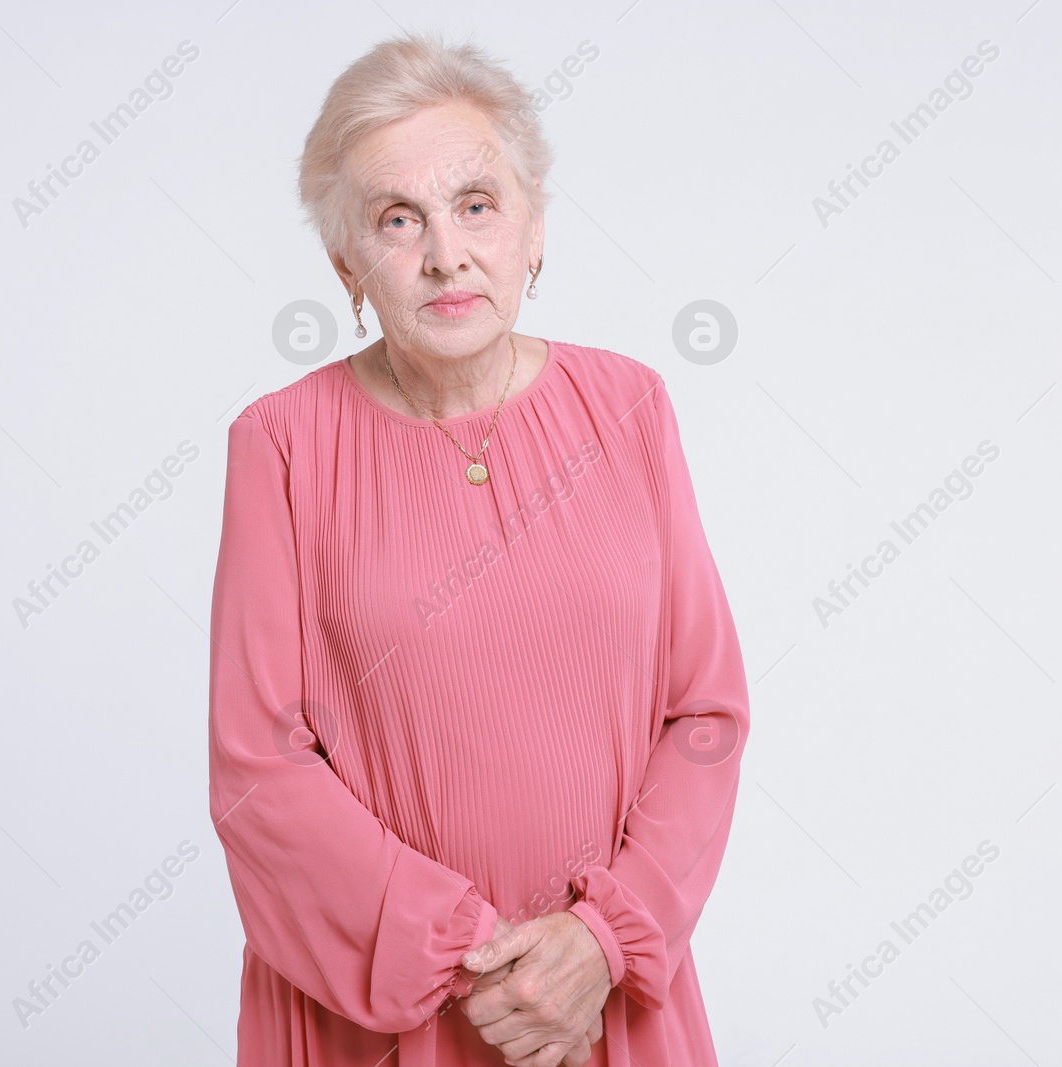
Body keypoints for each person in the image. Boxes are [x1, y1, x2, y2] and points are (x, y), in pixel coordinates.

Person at [208, 30, 749, 1066]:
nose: (445, 254)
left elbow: (705, 711)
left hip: (606, 995)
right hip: (379, 1015)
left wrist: (602, 939)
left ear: (533, 230)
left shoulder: (628, 406)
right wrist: (466, 953)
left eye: (476, 204)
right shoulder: (278, 444)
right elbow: (256, 765)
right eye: (397, 219)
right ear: (347, 261)